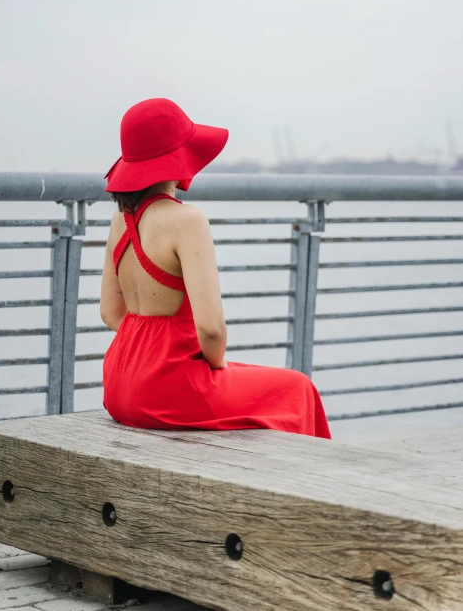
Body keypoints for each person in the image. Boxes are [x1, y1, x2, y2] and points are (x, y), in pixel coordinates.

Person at [101, 98, 331, 439]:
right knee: (296, 389)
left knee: (256, 380)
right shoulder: (187, 220)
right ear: (178, 157)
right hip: (167, 391)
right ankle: (308, 488)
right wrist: (213, 363)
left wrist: (150, 351)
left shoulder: (120, 221)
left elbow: (110, 313)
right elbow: (211, 330)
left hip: (119, 384)